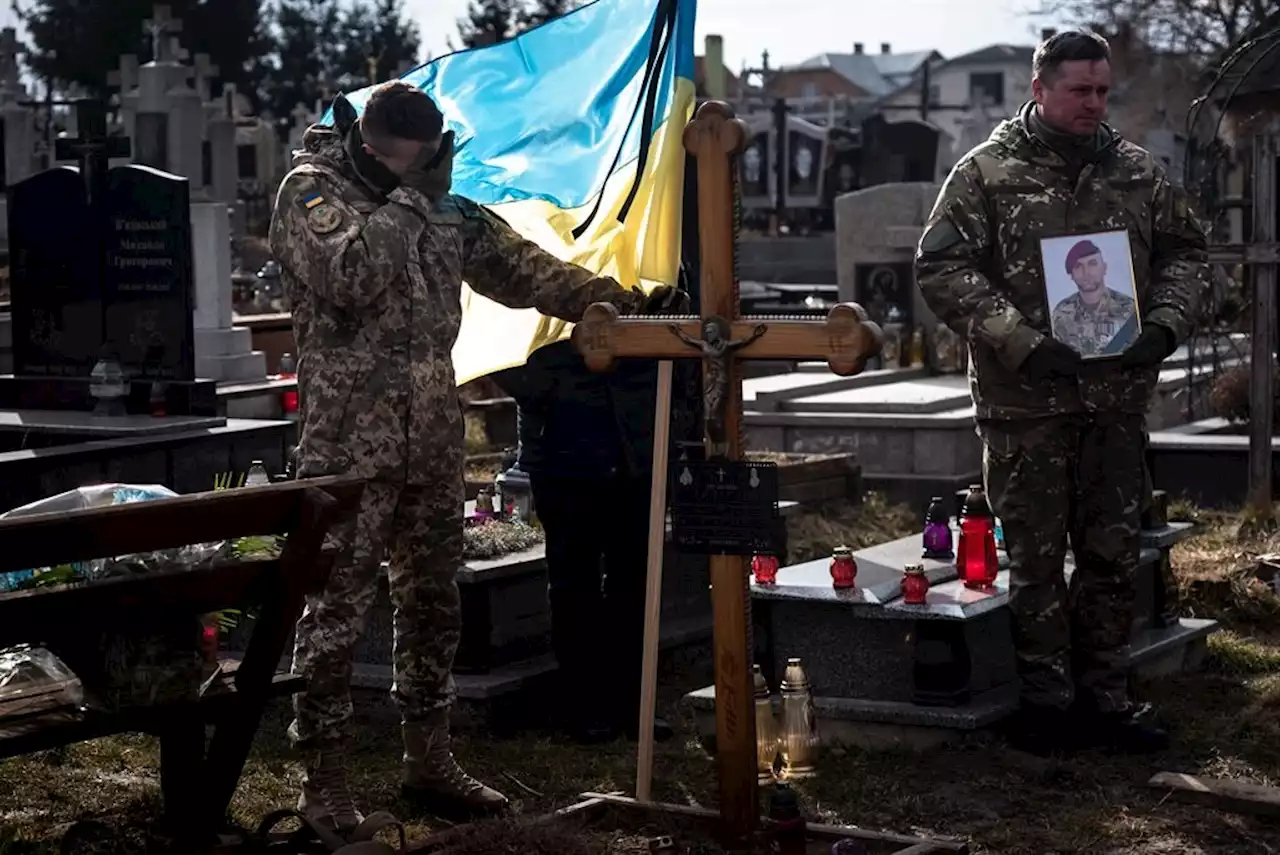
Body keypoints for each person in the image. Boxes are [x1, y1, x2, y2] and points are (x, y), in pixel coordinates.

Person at [268, 80, 686, 833]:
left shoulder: (441, 205)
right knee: (336, 614)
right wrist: (408, 202)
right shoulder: (311, 193)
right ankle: (321, 778)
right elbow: (353, 276)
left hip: (430, 438)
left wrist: (620, 302)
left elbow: (524, 271)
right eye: (401, 167)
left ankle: (429, 757)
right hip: (348, 449)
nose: (416, 176)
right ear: (368, 146)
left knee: (433, 605)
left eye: (424, 166)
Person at [913, 30, 1212, 756]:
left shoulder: (1137, 172)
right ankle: (1046, 703)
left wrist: (1164, 326)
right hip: (1027, 406)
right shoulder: (986, 174)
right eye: (1080, 90)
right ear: (1039, 88)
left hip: (1115, 400)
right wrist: (1021, 340)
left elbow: (1189, 253)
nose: (1094, 103)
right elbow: (942, 266)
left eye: (1103, 90)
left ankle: (1106, 700)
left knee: (1111, 554)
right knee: (1038, 562)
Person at [490, 295, 699, 744]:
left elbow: (681, 325)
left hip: (636, 446)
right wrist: (544, 384)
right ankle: (582, 706)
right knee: (573, 582)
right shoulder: (540, 252)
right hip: (565, 449)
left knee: (635, 582)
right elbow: (492, 339)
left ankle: (633, 704)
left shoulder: (640, 251)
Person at [1049, 238, 1138, 356]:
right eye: (1078, 266)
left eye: (1092, 264)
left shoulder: (1129, 308)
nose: (1086, 272)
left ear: (1104, 268)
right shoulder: (1062, 313)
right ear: (1071, 275)